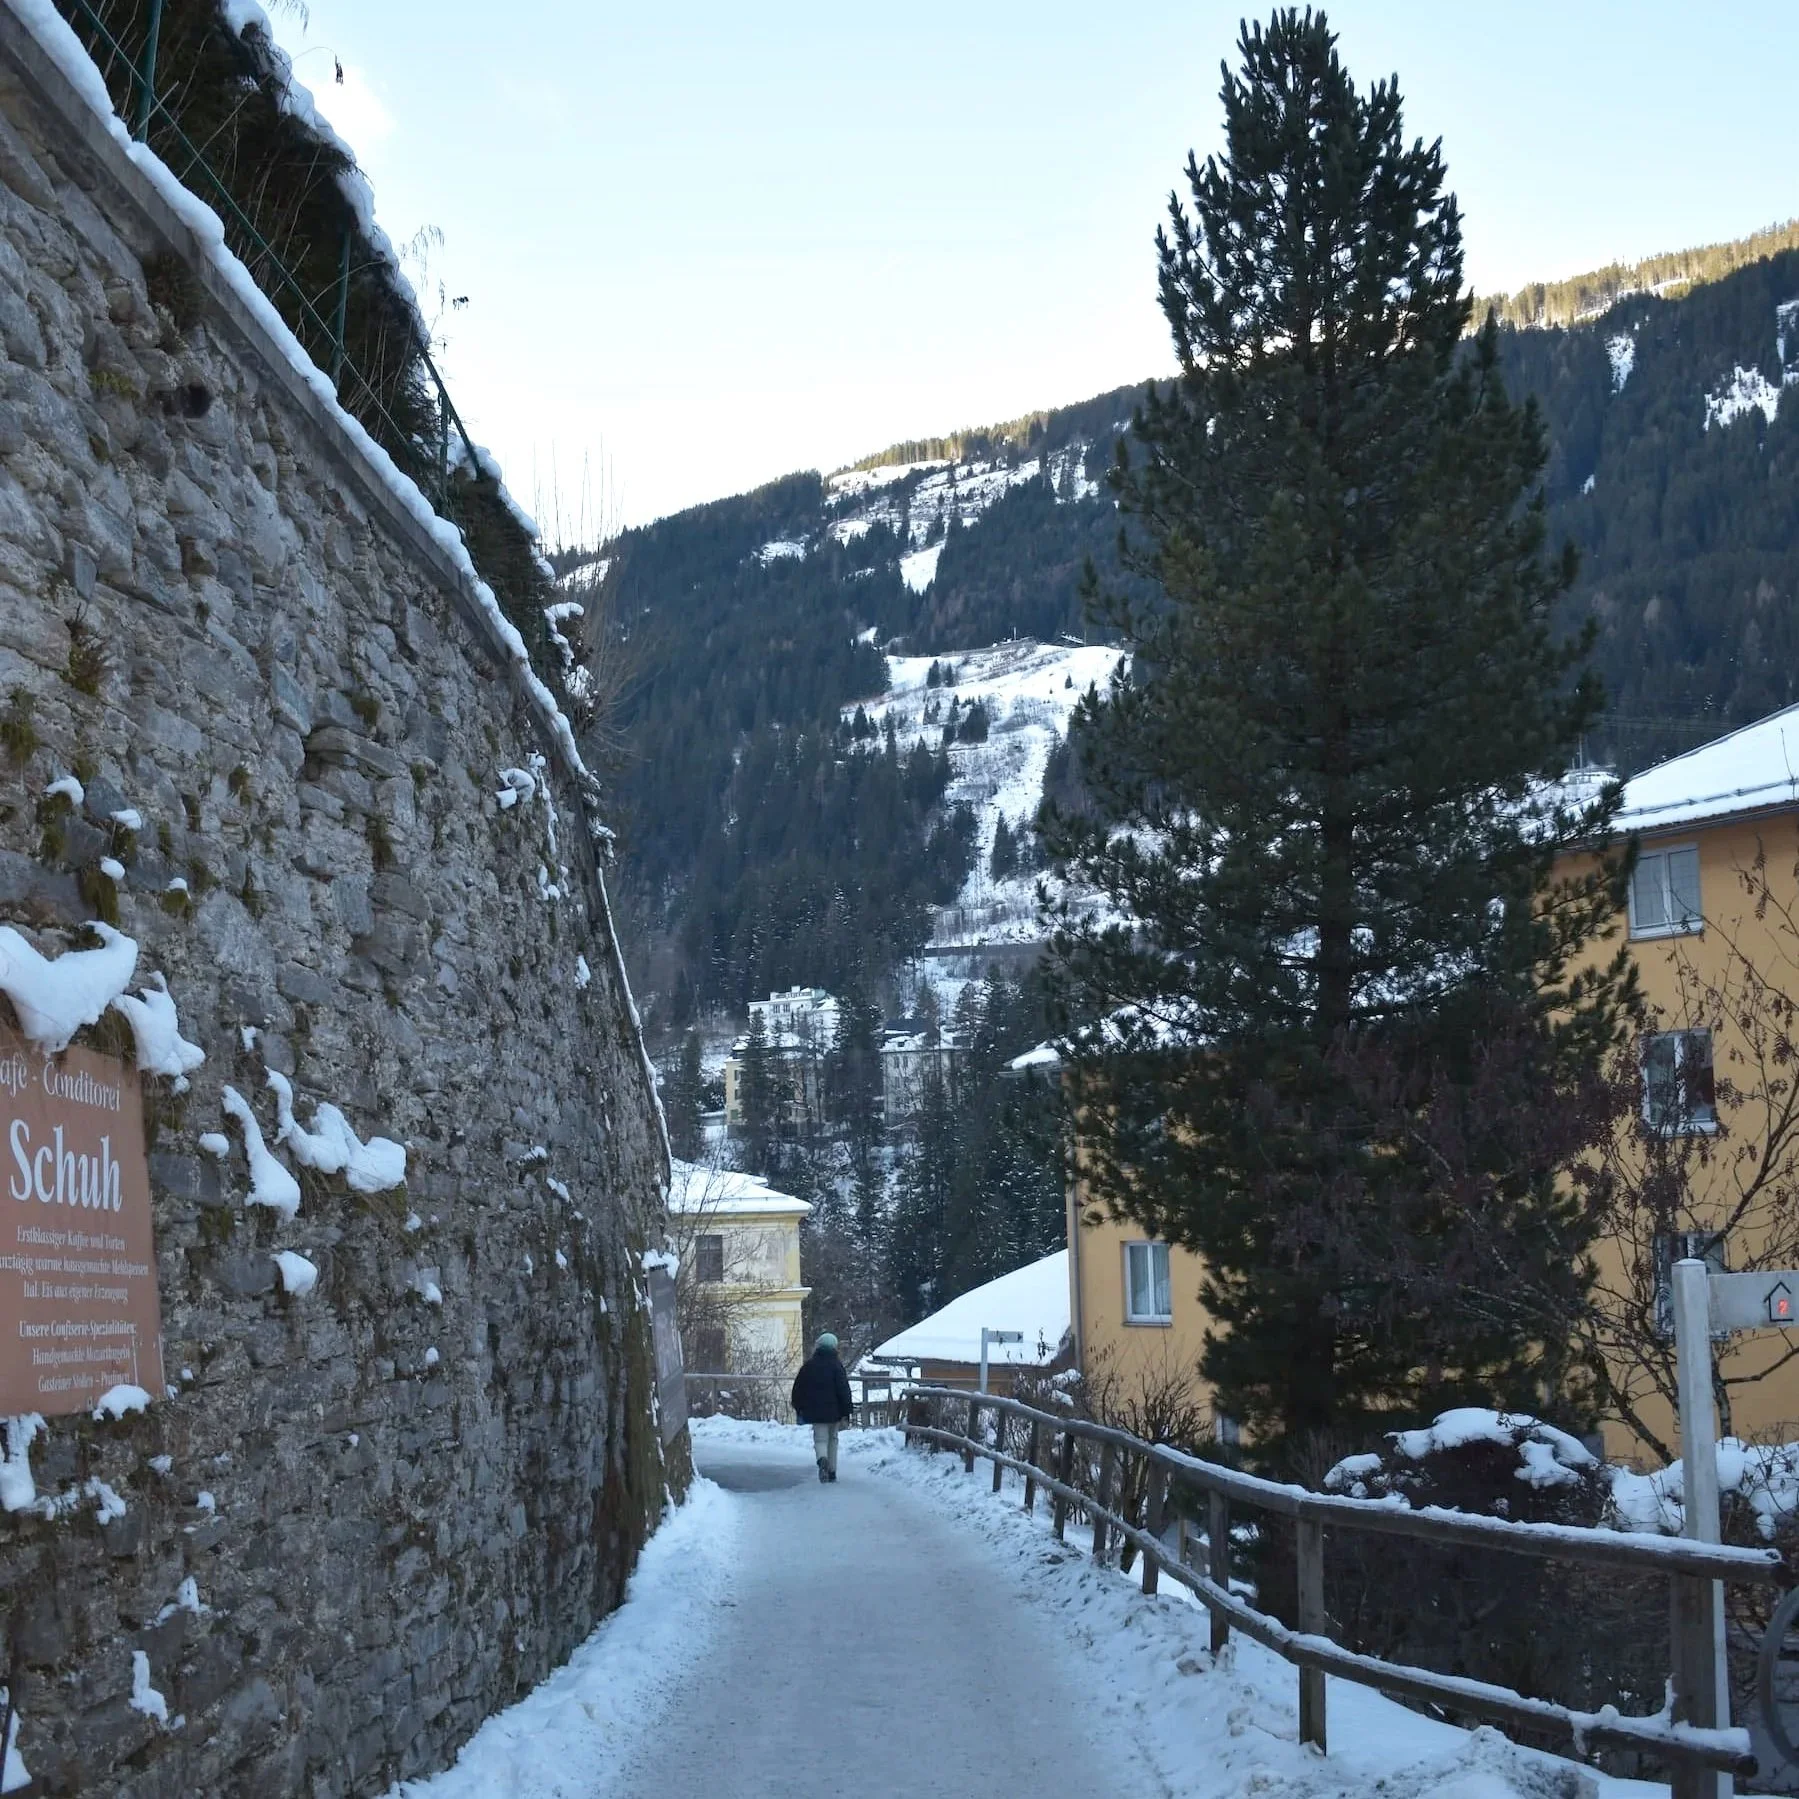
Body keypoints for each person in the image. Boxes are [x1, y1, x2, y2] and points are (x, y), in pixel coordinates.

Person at [790, 1332, 853, 1483]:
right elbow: (844, 1390)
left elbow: (798, 1389)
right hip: (835, 1412)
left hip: (815, 1411)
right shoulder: (837, 1366)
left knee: (820, 1439)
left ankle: (822, 1460)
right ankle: (832, 1471)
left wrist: (799, 1407)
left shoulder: (809, 1366)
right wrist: (847, 1411)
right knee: (833, 1439)